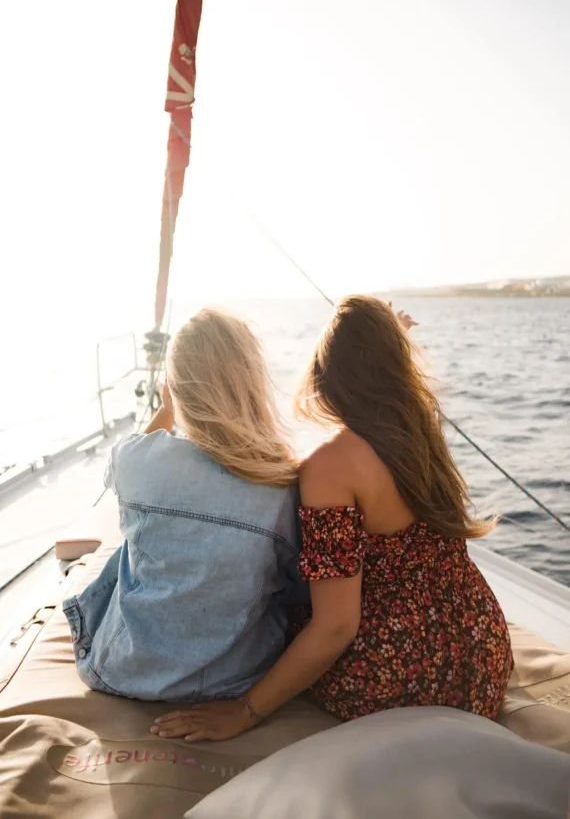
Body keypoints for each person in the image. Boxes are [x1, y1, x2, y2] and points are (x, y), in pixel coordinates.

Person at [152, 295, 513, 742]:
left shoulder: (328, 469)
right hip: (483, 657)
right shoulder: (420, 429)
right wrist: (388, 333)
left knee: (286, 604)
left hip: (405, 679)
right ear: (395, 364)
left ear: (325, 373)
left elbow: (338, 625)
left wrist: (244, 711)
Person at [64, 308, 302, 702]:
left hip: (124, 671)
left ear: (176, 387)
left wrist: (166, 410)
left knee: (128, 544)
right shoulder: (283, 484)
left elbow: (116, 475)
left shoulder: (137, 461)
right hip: (236, 681)